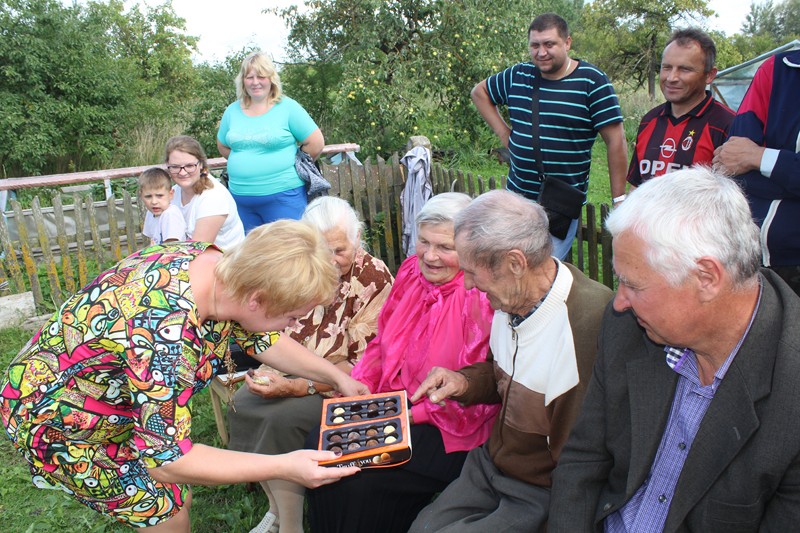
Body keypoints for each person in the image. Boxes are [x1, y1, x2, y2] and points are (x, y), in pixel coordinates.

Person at [0, 220, 369, 531]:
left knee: (179, 498)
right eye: (291, 316)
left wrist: (337, 378)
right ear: (257, 299)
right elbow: (168, 460)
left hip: (105, 394)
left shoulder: (218, 267)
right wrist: (285, 465)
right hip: (58, 420)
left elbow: (261, 337)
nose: (291, 325)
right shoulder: (167, 337)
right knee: (165, 512)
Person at [549, 166, 800, 531]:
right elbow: (584, 458)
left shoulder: (791, 390)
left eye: (634, 285)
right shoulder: (627, 327)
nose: (618, 302)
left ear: (706, 278)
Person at [408, 189, 612, 533]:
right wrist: (464, 382)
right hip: (490, 464)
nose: (467, 285)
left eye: (472, 272)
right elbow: (501, 373)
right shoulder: (512, 297)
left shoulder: (583, 327)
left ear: (515, 263)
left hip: (540, 490)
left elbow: (582, 464)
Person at [306, 193, 501, 533]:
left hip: (449, 425)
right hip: (396, 403)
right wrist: (363, 387)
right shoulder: (412, 272)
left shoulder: (480, 296)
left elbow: (479, 385)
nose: (430, 255)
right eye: (424, 241)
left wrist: (409, 415)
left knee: (358, 479)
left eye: (445, 247)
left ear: (470, 249)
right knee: (319, 443)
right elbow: (382, 344)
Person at [227, 196, 394, 533]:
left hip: (337, 386)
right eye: (322, 249)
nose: (330, 260)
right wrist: (276, 375)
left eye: (339, 250)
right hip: (292, 370)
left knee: (280, 420)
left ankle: (291, 525)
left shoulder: (374, 278)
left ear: (358, 239)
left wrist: (298, 386)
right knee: (244, 403)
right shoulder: (301, 269)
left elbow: (364, 364)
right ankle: (276, 508)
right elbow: (277, 331)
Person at [471, 12, 628, 259]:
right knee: (511, 264)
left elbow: (615, 140)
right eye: (535, 45)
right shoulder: (518, 75)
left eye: (549, 44)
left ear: (567, 42)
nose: (541, 52)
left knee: (545, 269)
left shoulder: (592, 82)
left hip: (559, 203)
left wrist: (619, 199)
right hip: (517, 198)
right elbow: (479, 93)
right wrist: (504, 133)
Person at [713, 48, 800, 295]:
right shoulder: (779, 68)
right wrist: (789, 171)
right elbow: (731, 164)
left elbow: (745, 158)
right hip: (749, 255)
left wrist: (759, 157)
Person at [217, 51, 324, 232]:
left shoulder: (288, 107)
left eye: (261, 76)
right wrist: (248, 161)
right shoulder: (231, 111)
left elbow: (315, 143)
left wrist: (291, 164)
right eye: (249, 77)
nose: (255, 82)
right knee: (250, 250)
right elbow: (223, 146)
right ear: (242, 81)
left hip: (284, 197)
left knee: (289, 247)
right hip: (241, 199)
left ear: (271, 79)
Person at [627, 28, 734, 186]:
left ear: (709, 75)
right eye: (666, 67)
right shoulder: (649, 121)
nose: (672, 78)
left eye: (685, 69)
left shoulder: (727, 125)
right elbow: (636, 187)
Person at [167, 135, 245, 250]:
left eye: (190, 166)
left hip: (224, 259)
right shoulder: (173, 193)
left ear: (201, 165)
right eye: (175, 167)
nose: (182, 172)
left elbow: (197, 250)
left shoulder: (213, 196)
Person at [138, 167, 187, 246]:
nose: (154, 202)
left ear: (171, 194)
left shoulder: (170, 214)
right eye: (148, 196)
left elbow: (171, 246)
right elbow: (153, 240)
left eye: (159, 196)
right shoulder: (151, 213)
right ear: (141, 196)